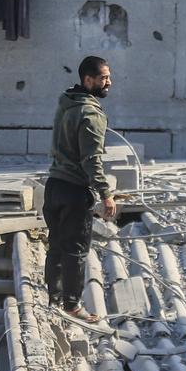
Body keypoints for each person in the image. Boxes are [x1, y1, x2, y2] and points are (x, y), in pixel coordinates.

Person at [44, 55, 116, 324]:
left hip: (54, 186)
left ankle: (54, 298)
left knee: (56, 245)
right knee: (75, 250)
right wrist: (106, 193)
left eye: (108, 77)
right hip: (75, 190)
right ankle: (72, 305)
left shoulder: (67, 103)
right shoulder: (91, 114)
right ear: (88, 80)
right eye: (104, 78)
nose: (109, 82)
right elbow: (92, 160)